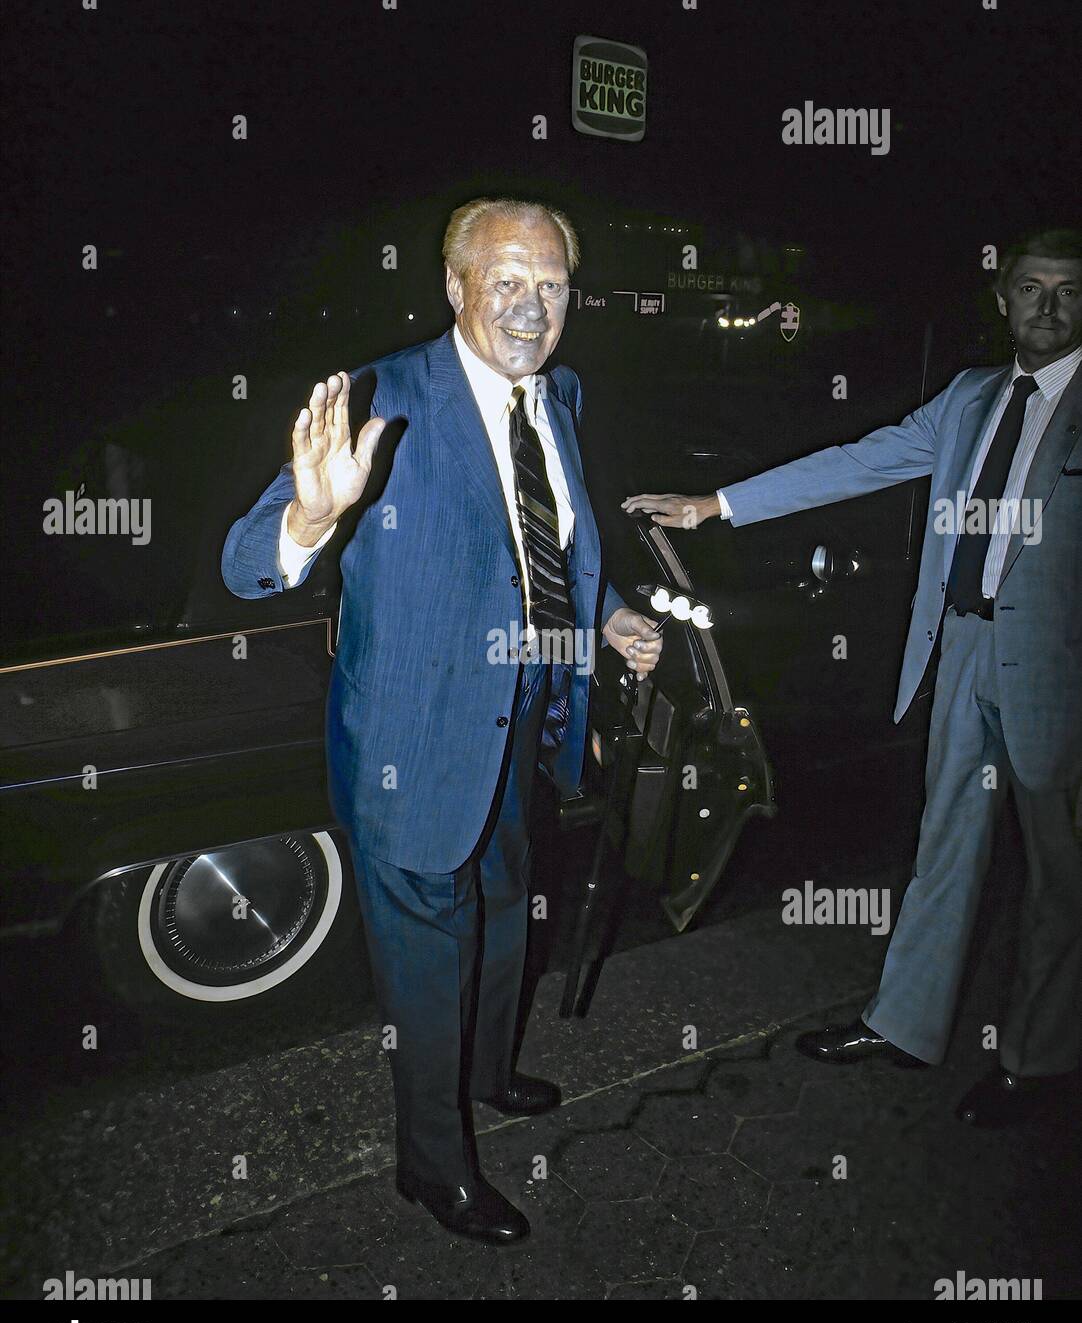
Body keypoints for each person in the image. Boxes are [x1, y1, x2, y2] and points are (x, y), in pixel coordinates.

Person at [222, 199, 660, 1242]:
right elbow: (245, 565)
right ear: (455, 287)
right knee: (428, 964)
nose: (528, 305)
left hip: (517, 723)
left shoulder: (559, 395)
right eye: (504, 280)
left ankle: (489, 1069)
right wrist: (310, 516)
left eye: (549, 283)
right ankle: (431, 1164)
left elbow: (538, 536)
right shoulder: (386, 395)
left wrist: (603, 616)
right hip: (411, 746)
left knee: (506, 913)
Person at [623, 228, 1082, 1128]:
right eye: (1032, 289)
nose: (1049, 308)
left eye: (1070, 292)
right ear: (1003, 299)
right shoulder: (971, 397)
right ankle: (905, 1024)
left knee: (1061, 880)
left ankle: (1039, 1063)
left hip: (1062, 676)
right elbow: (863, 459)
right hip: (961, 649)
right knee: (944, 845)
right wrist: (719, 505)